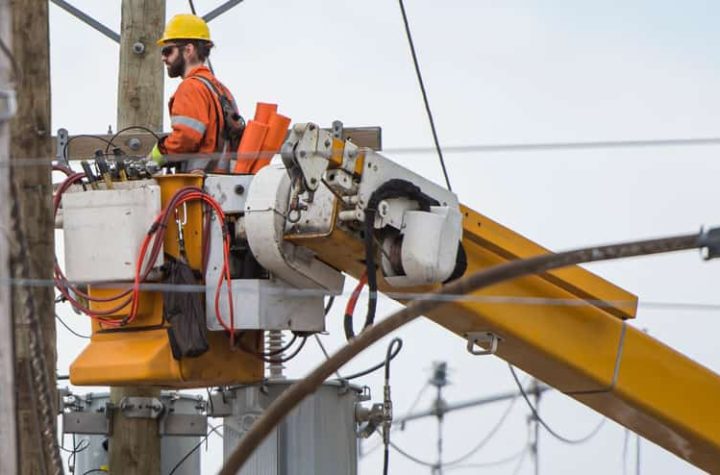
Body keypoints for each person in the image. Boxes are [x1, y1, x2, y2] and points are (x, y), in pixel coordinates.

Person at [149, 13, 241, 173]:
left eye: (168, 51)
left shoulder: (190, 88)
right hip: (223, 183)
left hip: (198, 184)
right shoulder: (221, 89)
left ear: (188, 50)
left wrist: (158, 154)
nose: (163, 58)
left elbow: (186, 137)